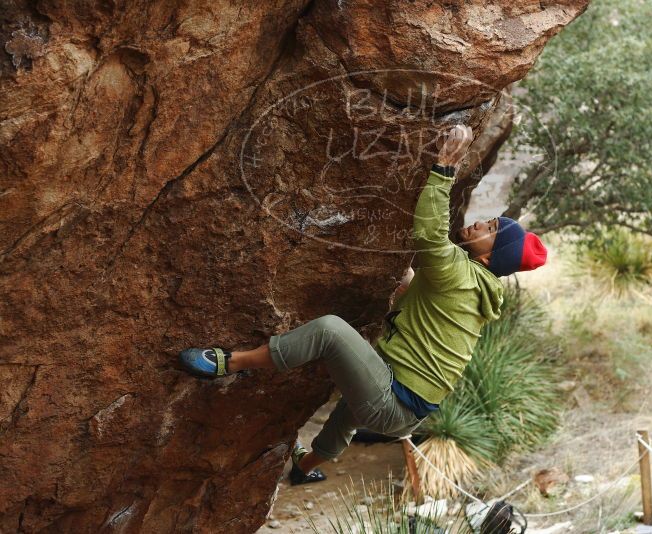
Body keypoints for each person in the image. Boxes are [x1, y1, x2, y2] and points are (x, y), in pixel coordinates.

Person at [178, 125, 548, 484]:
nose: (484, 223)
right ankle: (304, 468)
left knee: (330, 331)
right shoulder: (474, 287)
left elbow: (429, 232)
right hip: (407, 409)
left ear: (489, 259)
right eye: (493, 220)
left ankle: (229, 362)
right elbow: (428, 301)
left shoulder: (459, 274)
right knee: (349, 411)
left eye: (493, 231)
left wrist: (445, 164)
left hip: (395, 400)